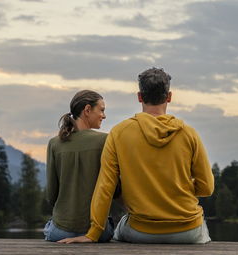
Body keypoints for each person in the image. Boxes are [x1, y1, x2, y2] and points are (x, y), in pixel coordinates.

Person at [58, 68, 214, 244]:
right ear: (169, 97)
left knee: (118, 234)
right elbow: (206, 188)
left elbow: (105, 187)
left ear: (139, 97)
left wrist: (93, 234)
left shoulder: (119, 133)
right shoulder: (189, 134)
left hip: (141, 230)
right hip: (188, 230)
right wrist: (178, 187)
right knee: (203, 234)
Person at [43, 90, 115, 242]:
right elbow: (115, 189)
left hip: (60, 233)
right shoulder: (106, 141)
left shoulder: (54, 144)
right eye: (101, 110)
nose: (104, 115)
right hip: (99, 233)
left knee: (50, 226)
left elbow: (51, 195)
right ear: (87, 110)